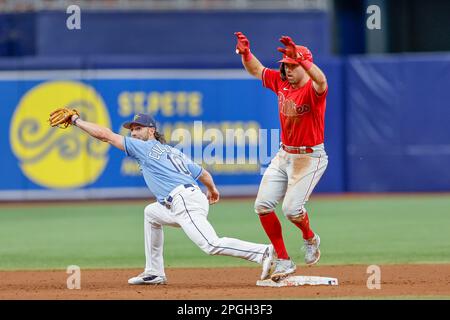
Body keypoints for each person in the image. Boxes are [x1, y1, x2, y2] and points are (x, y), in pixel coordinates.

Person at [65, 112, 275, 285]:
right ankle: (154, 272)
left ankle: (263, 252)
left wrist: (77, 121)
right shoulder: (171, 151)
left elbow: (106, 136)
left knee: (211, 244)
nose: (134, 133)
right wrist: (212, 190)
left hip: (183, 199)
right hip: (188, 198)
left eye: (138, 128)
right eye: (132, 130)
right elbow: (203, 174)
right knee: (151, 213)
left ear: (151, 130)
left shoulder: (144, 147)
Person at [234, 32, 329, 282]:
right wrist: (246, 54)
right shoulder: (281, 81)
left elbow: (322, 81)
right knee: (262, 206)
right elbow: (257, 70)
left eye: (291, 65)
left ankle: (310, 237)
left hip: (310, 157)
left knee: (291, 210)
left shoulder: (312, 89)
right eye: (284, 65)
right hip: (284, 153)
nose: (286, 69)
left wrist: (304, 61)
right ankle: (284, 260)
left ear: (304, 67)